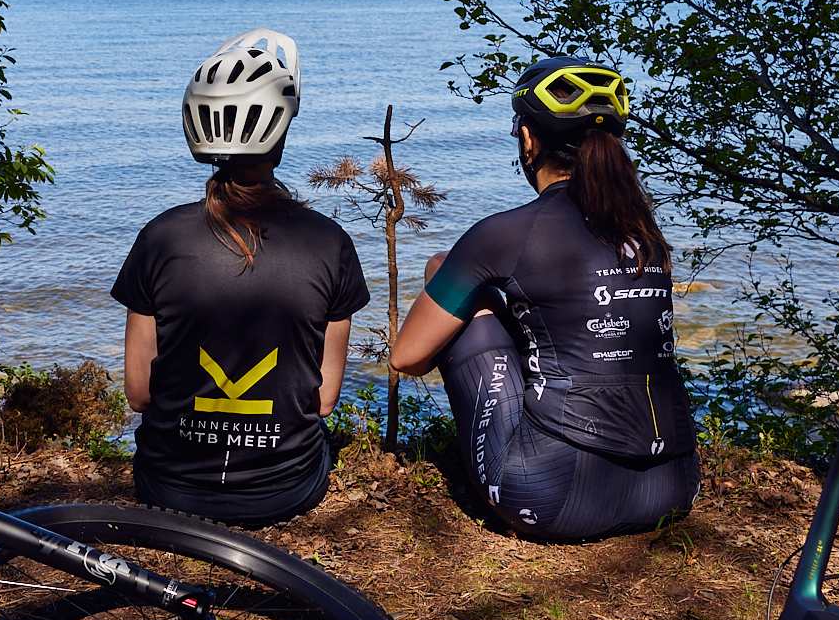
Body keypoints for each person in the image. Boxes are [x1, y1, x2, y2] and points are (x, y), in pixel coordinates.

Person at [391, 57, 699, 540]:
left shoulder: (505, 232)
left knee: (443, 270)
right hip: (674, 488)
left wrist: (474, 297)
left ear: (529, 139)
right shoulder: (646, 234)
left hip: (552, 500)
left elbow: (407, 357)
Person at [112, 29, 370, 526]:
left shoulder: (160, 238)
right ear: (281, 133)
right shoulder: (328, 243)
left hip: (167, 486)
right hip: (285, 489)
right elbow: (324, 400)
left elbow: (140, 394)